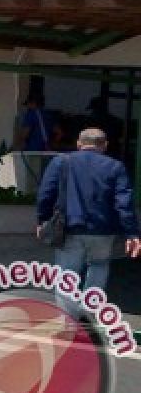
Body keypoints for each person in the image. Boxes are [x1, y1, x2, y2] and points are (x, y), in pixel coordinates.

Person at [36, 127, 140, 316]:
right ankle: (89, 315)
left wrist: (42, 220)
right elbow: (123, 203)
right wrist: (131, 233)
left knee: (67, 274)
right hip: (103, 230)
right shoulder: (115, 167)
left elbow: (46, 194)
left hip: (69, 229)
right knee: (99, 267)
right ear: (105, 145)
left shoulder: (61, 162)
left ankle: (68, 320)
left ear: (78, 143)